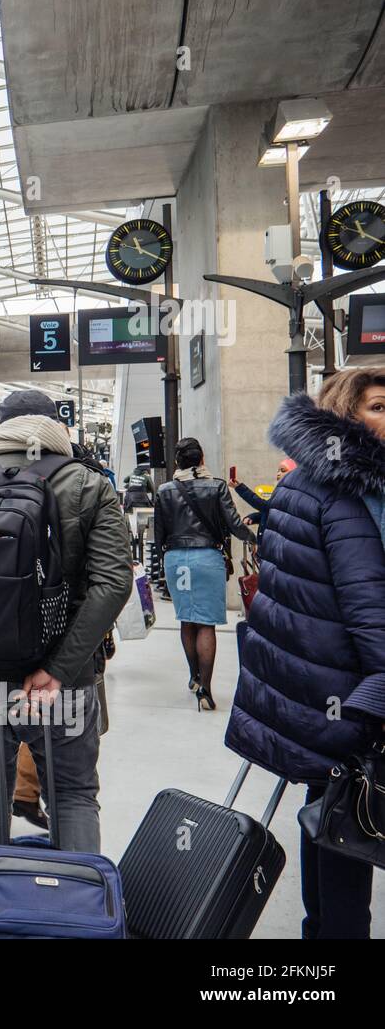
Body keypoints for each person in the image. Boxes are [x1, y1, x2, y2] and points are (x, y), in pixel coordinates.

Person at [0, 390, 132, 853]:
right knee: (73, 795)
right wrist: (57, 670)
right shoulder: (88, 484)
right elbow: (113, 584)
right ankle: (76, 914)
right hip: (66, 682)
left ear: (0, 427)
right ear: (59, 427)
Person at [226, 368, 385, 940]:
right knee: (353, 822)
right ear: (346, 414)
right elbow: (370, 608)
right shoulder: (350, 492)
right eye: (379, 407)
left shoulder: (301, 481)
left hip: (315, 687)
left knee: (331, 809)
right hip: (350, 689)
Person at [153, 437, 255, 711]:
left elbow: (158, 534)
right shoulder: (217, 486)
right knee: (206, 624)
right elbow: (234, 525)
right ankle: (207, 691)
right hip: (207, 558)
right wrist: (255, 537)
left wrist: (166, 560)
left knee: (187, 620)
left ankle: (194, 677)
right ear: (201, 459)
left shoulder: (164, 490)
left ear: (177, 462)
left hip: (176, 559)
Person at [229, 459, 296, 543]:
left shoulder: (291, 494)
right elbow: (271, 512)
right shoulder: (281, 491)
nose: (278, 474)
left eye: (283, 471)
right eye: (278, 471)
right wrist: (254, 517)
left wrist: (239, 488)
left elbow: (266, 506)